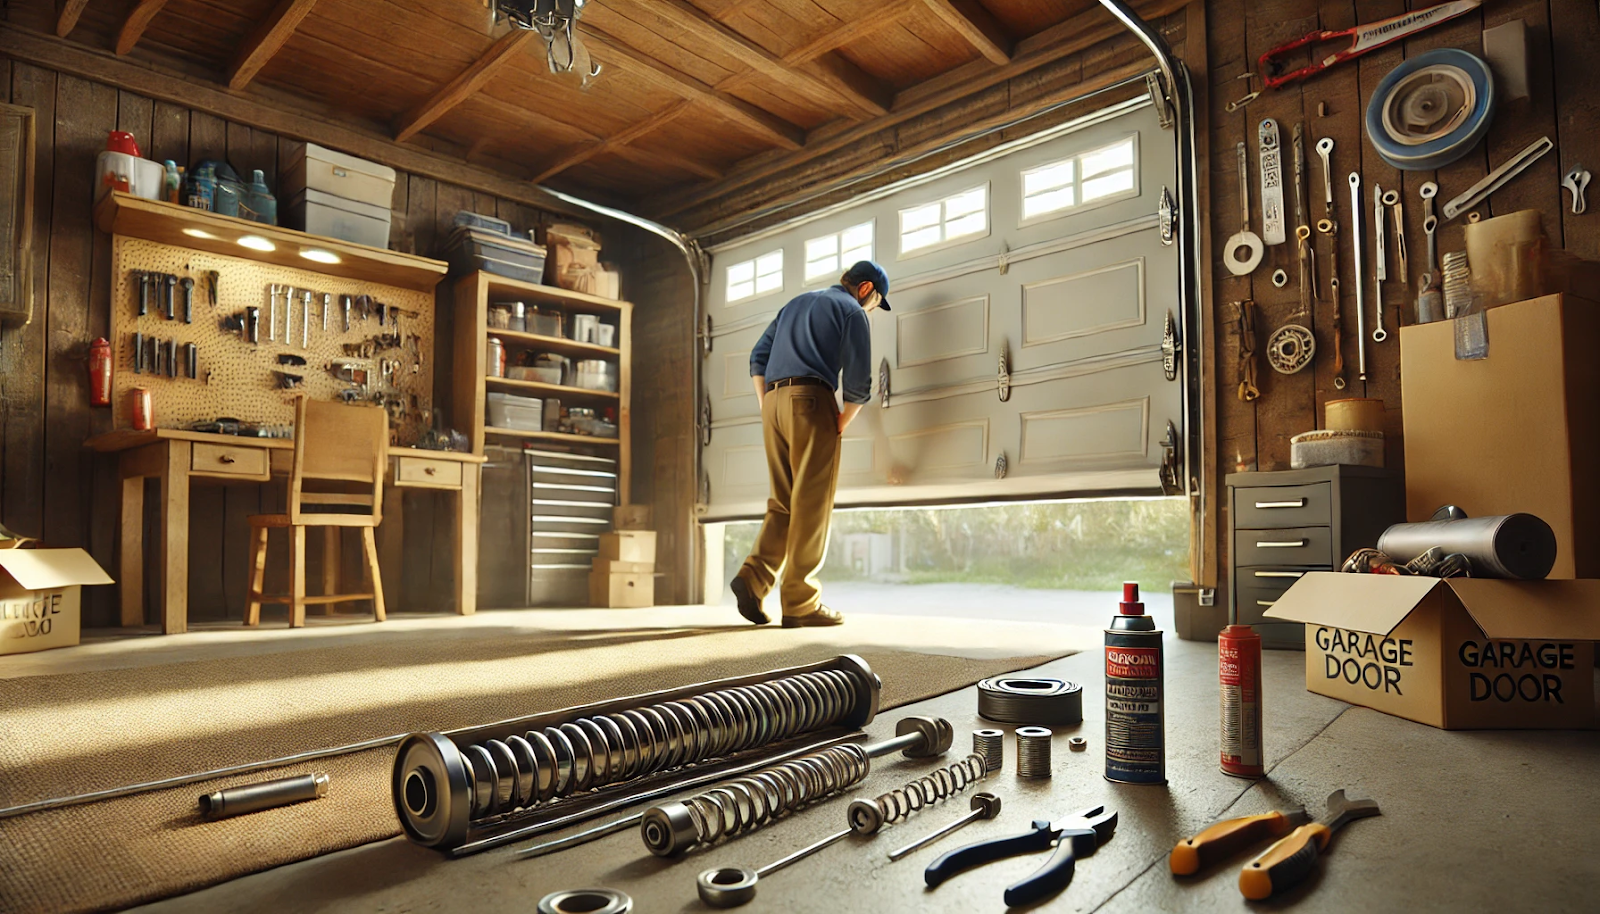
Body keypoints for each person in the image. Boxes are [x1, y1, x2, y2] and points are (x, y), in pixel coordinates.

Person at [731, 260, 890, 628]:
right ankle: (801, 602)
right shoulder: (851, 311)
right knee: (811, 503)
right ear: (865, 289)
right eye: (875, 301)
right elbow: (857, 384)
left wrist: (768, 403)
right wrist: (839, 422)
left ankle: (753, 579)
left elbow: (758, 357)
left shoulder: (795, 304)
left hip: (772, 402)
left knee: (782, 502)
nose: (871, 309)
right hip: (811, 401)